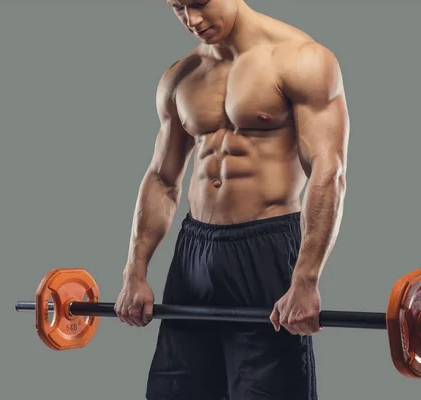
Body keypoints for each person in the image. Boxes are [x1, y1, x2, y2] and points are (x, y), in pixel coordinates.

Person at [114, 0, 350, 398]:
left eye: (199, 3)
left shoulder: (302, 59)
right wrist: (134, 272)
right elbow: (162, 179)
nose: (192, 20)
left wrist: (306, 279)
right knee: (177, 390)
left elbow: (328, 173)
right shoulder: (181, 76)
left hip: (267, 248)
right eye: (177, 8)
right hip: (194, 254)